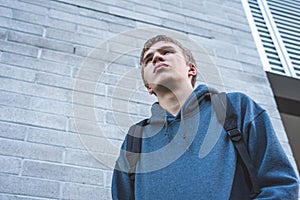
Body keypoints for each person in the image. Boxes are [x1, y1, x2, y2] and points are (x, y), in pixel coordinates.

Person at [111, 35, 299, 199]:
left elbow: (281, 184)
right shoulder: (136, 138)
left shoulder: (235, 107)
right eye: (148, 59)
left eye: (166, 52)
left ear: (191, 69)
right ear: (148, 86)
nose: (157, 57)